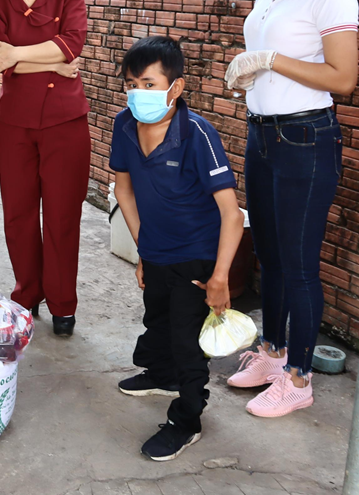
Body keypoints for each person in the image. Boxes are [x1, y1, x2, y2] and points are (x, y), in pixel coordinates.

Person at [224, 0, 358, 416]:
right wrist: (249, 72)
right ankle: (273, 351)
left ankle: (299, 379)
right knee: (272, 256)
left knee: (300, 264)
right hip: (264, 132)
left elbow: (343, 77)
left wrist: (272, 62)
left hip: (306, 137)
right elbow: (264, 51)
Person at [111, 36, 244, 461]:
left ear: (176, 87)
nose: (139, 93)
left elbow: (231, 213)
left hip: (197, 256)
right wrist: (143, 250)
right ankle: (162, 374)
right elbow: (124, 190)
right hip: (157, 251)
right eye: (132, 83)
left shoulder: (197, 134)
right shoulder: (124, 125)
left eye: (150, 84)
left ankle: (186, 419)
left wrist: (220, 277)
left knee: (188, 341)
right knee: (159, 318)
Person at [0, 0, 87, 336]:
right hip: (16, 125)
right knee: (19, 214)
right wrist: (54, 59)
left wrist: (20, 54)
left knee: (63, 215)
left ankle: (63, 302)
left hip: (66, 121)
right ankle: (28, 291)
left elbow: (73, 44)